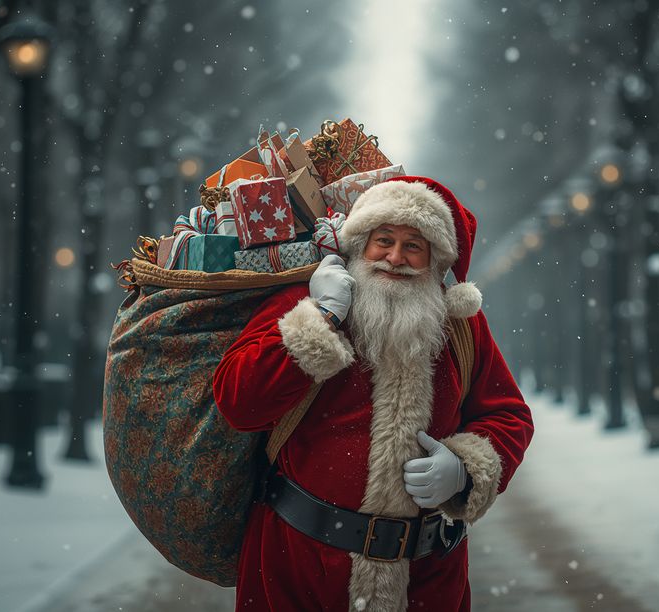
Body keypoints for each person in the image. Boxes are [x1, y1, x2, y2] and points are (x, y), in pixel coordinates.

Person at [214, 176, 534, 611]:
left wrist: (464, 470)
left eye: (414, 246)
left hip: (428, 581)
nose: (395, 258)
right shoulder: (307, 298)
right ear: (360, 243)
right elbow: (239, 403)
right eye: (384, 240)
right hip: (298, 566)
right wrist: (321, 317)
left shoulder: (460, 326)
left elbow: (509, 414)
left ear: (436, 260)